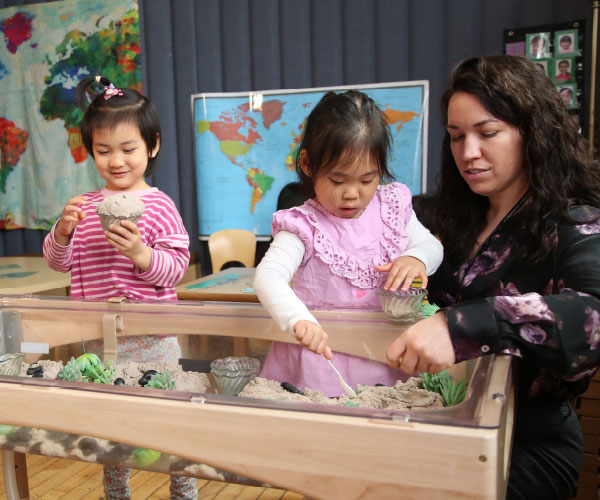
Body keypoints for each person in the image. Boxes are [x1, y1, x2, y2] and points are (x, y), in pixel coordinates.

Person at [386, 55, 600, 500]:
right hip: (440, 421)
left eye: (488, 134)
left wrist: (460, 325)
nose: (469, 153)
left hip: (524, 442)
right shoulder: (446, 216)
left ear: (533, 133)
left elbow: (592, 315)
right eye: (456, 136)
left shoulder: (574, 222)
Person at [43, 76, 196, 500]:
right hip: (98, 343)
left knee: (171, 428)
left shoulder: (161, 206)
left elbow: (176, 269)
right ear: (91, 151)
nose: (116, 161)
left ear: (153, 145)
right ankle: (117, 493)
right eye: (103, 151)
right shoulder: (86, 207)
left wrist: (143, 255)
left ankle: (184, 492)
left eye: (128, 149)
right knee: (110, 433)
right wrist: (62, 231)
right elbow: (58, 263)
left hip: (155, 341)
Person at [253, 90, 443, 396]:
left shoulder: (392, 208)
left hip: (381, 354)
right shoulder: (302, 226)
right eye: (338, 181)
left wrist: (417, 258)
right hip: (320, 358)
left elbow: (433, 246)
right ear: (307, 163)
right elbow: (268, 276)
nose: (352, 193)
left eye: (367, 180)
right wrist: (299, 320)